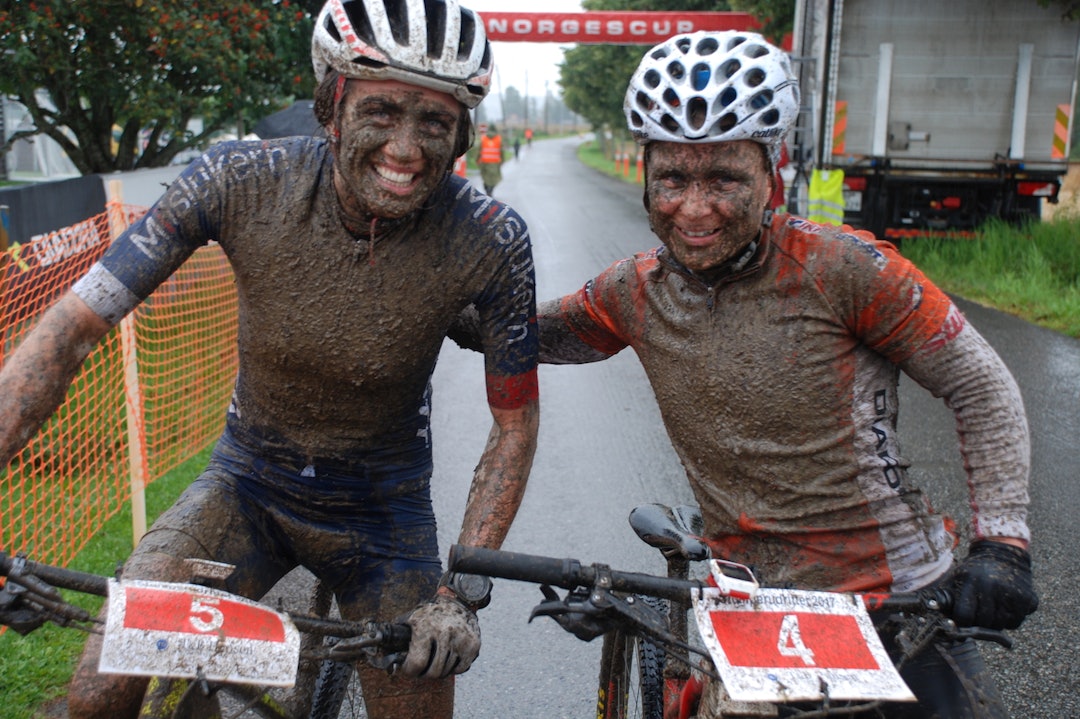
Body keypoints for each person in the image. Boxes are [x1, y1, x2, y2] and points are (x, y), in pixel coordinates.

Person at [454, 30, 1037, 717]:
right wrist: (427, 289)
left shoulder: (847, 269)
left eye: (724, 179)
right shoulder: (633, 292)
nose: (694, 209)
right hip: (755, 602)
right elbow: (522, 332)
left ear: (772, 170)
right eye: (672, 178)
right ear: (645, 171)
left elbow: (981, 384)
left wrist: (1003, 542)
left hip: (897, 595)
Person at [0, 1, 539, 718]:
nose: (407, 149)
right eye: (382, 111)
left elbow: (513, 426)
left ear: (463, 132)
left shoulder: (492, 238)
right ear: (331, 104)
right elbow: (69, 330)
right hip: (247, 485)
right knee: (100, 689)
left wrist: (458, 595)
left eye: (435, 123)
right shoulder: (237, 177)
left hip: (384, 512)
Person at [476, 122, 504, 196]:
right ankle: (490, 189)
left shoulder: (484, 138)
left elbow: (480, 150)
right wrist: (502, 160)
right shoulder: (498, 139)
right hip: (495, 162)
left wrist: (477, 159)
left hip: (484, 162)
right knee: (494, 178)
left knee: (485, 177)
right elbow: (501, 151)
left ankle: (487, 188)